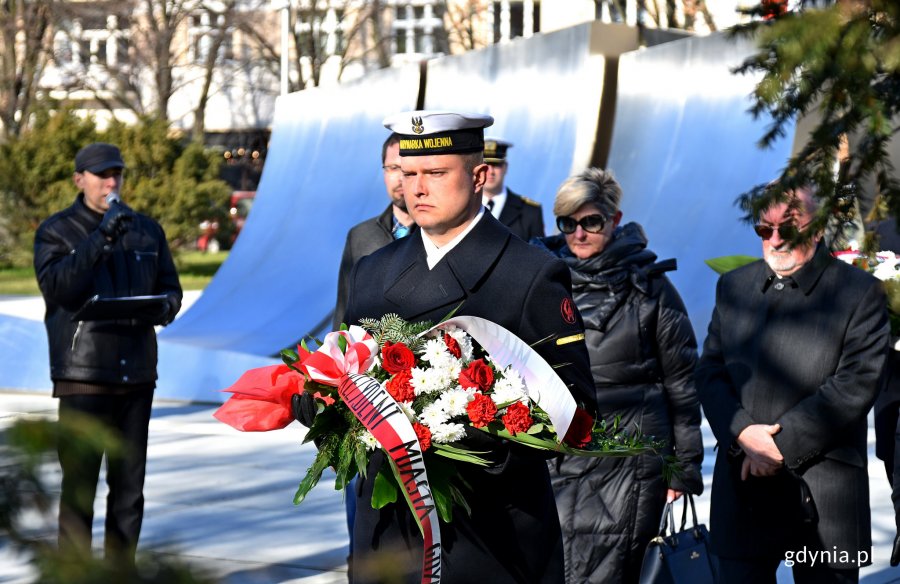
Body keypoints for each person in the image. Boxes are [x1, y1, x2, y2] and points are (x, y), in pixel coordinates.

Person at [340, 111, 597, 583]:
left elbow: (576, 410)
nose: (416, 188)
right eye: (406, 173)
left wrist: (454, 430)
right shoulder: (372, 271)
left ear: (478, 176)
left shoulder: (527, 274)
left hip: (488, 534)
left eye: (435, 174)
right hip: (388, 531)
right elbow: (346, 370)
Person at [696, 185, 889, 584]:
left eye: (788, 228)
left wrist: (777, 446)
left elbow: (856, 383)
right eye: (764, 231)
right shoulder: (734, 287)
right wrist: (743, 434)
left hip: (824, 492)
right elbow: (710, 371)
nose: (776, 240)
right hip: (744, 486)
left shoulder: (858, 291)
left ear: (817, 229)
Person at [532, 168, 704, 583]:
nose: (579, 233)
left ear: (615, 219)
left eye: (590, 221)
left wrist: (683, 468)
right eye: (567, 223)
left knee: (612, 572)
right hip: (558, 454)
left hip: (630, 460)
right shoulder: (540, 281)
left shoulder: (650, 287)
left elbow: (682, 382)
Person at [33, 142, 182, 563]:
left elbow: (170, 286)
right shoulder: (57, 230)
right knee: (79, 490)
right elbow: (61, 288)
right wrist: (102, 236)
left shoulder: (146, 229)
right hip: (83, 376)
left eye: (116, 173)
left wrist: (165, 307)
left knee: (129, 492)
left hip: (136, 375)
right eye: (102, 175)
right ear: (80, 179)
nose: (111, 182)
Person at [333, 132, 414, 330]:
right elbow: (344, 312)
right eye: (393, 168)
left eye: (408, 170)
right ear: (384, 171)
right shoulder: (360, 237)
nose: (401, 178)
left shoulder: (438, 235)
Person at [482, 137, 544, 241]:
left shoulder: (530, 212)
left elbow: (541, 254)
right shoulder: (464, 207)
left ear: (506, 167)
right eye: (486, 165)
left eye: (497, 165)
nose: (491, 171)